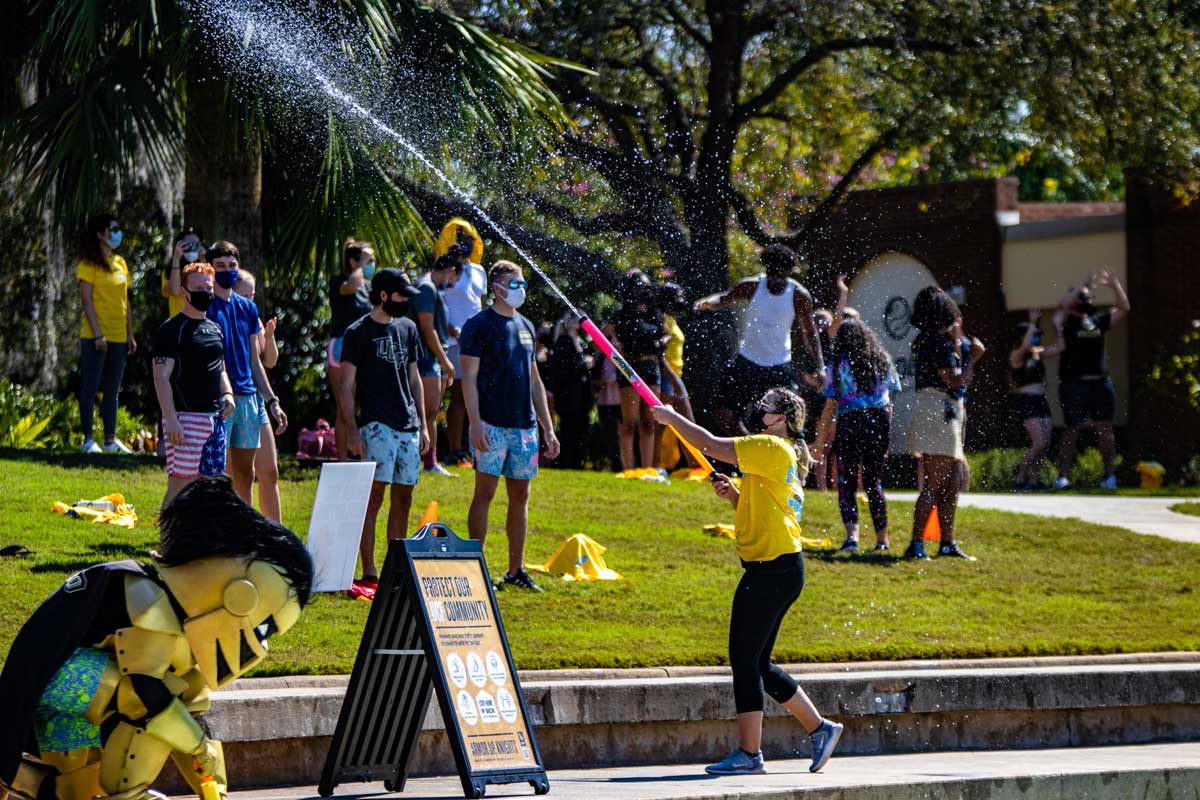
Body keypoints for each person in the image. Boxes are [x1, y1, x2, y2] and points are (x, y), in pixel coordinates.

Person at [0, 476, 311, 800]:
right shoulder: (146, 596)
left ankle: (24, 780)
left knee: (80, 786)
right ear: (241, 595)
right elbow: (143, 691)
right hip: (53, 685)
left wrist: (214, 788)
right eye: (264, 629)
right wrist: (198, 746)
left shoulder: (184, 634)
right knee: (145, 702)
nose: (261, 644)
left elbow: (186, 715)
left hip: (74, 714)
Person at [648, 389, 843, 776]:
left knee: (744, 660)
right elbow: (767, 508)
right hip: (780, 567)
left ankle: (749, 755)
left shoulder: (771, 445)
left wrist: (672, 419)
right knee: (760, 664)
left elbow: (708, 443)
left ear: (782, 417)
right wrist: (736, 496)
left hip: (773, 568)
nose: (760, 407)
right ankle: (821, 729)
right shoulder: (777, 453)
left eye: (768, 405)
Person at [459, 261, 560, 591]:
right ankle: (477, 567)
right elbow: (469, 379)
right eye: (514, 284)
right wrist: (475, 423)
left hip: (524, 427)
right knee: (485, 493)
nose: (521, 289)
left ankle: (515, 570)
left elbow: (535, 381)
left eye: (522, 284)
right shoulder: (479, 325)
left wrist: (547, 428)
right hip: (491, 423)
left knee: (521, 495)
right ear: (498, 287)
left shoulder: (526, 326)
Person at [338, 269, 428, 588]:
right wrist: (352, 429)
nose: (406, 301)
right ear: (385, 295)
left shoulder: (408, 328)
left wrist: (425, 424)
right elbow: (346, 385)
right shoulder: (357, 332)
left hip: (409, 425)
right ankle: (370, 570)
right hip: (377, 424)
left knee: (404, 497)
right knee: (374, 496)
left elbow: (415, 378)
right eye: (402, 295)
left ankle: (395, 566)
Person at [694, 245, 824, 435]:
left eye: (782, 273)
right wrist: (706, 303)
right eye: (772, 272)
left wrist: (820, 366)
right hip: (747, 360)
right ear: (766, 268)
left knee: (788, 419)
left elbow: (810, 334)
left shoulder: (798, 295)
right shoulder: (751, 286)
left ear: (790, 272)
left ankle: (781, 454)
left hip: (779, 365)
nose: (776, 277)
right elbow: (725, 298)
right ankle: (747, 447)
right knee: (723, 413)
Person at [206, 241, 288, 514]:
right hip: (220, 400)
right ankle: (221, 535)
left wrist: (272, 400)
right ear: (210, 268)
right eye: (220, 266)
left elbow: (256, 361)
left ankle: (247, 536)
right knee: (219, 475)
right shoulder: (205, 307)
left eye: (232, 266)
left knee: (245, 475)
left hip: (248, 398)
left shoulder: (247, 308)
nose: (227, 271)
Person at [904, 287, 985, 561]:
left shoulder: (923, 340)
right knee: (935, 483)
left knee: (951, 483)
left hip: (934, 408)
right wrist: (973, 356)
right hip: (939, 409)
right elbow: (956, 381)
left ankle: (946, 543)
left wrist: (959, 344)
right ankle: (916, 545)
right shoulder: (937, 342)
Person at [151, 262, 237, 510]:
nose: (205, 292)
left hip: (215, 420)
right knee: (180, 485)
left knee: (210, 485)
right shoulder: (171, 330)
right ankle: (168, 546)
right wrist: (171, 420)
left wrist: (228, 393)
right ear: (185, 292)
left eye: (208, 287)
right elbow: (160, 377)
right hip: (185, 419)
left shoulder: (215, 329)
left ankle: (200, 544)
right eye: (198, 287)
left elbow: (220, 368)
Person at [813, 319, 902, 552]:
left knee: (847, 481)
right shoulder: (882, 360)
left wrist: (819, 443)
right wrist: (886, 433)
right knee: (874, 482)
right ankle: (882, 540)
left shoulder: (838, 365)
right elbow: (890, 401)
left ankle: (852, 537)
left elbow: (830, 406)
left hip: (851, 421)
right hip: (879, 420)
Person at [1053, 270, 1130, 490]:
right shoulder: (1064, 323)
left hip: (1100, 384)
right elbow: (1060, 308)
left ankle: (1109, 477)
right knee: (1071, 430)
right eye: (1082, 297)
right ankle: (1062, 477)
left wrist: (1115, 285)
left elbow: (1124, 308)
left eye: (1088, 297)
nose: (1086, 300)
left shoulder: (1098, 320)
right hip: (1074, 384)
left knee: (1105, 431)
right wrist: (1081, 284)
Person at [76, 213, 136, 454]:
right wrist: (98, 334)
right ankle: (88, 439)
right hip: (95, 337)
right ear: (100, 234)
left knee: (113, 389)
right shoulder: (87, 264)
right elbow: (86, 301)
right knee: (90, 387)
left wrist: (130, 333)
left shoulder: (120, 262)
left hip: (119, 336)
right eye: (114, 228)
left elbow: (126, 302)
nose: (118, 232)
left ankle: (110, 440)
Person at [233, 270, 283, 520]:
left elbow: (269, 361)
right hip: (234, 400)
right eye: (244, 295)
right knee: (241, 475)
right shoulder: (224, 316)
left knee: (270, 471)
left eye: (252, 295)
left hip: (255, 399)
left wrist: (270, 337)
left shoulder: (252, 317)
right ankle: (244, 530)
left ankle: (277, 532)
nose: (249, 300)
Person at [412, 252, 462, 477]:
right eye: (454, 280)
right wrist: (445, 360)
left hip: (432, 358)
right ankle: (419, 460)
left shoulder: (431, 289)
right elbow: (427, 328)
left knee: (432, 412)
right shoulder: (426, 288)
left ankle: (430, 462)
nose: (451, 285)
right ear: (450, 270)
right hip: (426, 358)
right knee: (427, 411)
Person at [613, 269, 668, 469]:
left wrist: (662, 342)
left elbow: (667, 333)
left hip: (651, 365)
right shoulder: (622, 313)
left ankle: (647, 468)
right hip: (629, 365)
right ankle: (629, 468)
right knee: (629, 421)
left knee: (649, 421)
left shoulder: (655, 312)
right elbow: (604, 336)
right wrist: (616, 346)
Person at [328, 239, 376, 460]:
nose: (370, 265)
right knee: (343, 408)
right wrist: (359, 266)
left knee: (365, 404)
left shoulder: (369, 287)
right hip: (340, 348)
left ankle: (365, 453)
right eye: (367, 260)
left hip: (365, 351)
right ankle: (342, 459)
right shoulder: (339, 282)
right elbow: (352, 286)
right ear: (352, 261)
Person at [1009, 310, 1060, 491]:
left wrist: (1058, 324)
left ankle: (1034, 480)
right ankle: (1021, 477)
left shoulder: (1037, 354)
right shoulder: (1016, 356)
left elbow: (1060, 347)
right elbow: (1023, 348)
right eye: (1033, 336)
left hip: (1041, 400)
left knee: (1045, 443)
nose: (1036, 339)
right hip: (1027, 401)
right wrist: (1032, 324)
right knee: (1038, 442)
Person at [548, 314, 595, 469]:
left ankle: (577, 461)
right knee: (569, 430)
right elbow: (562, 368)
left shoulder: (581, 341)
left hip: (582, 395)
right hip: (569, 396)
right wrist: (583, 364)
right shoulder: (563, 341)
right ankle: (566, 462)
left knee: (581, 429)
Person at [592, 321, 624, 472]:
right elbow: (594, 378)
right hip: (604, 401)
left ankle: (625, 465)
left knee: (622, 433)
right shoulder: (599, 355)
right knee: (611, 436)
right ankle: (616, 465)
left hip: (620, 399)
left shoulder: (619, 350)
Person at [162, 226, 204, 318]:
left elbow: (212, 288)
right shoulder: (169, 271)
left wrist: (204, 261)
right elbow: (174, 291)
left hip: (201, 324)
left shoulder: (205, 267)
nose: (191, 248)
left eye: (195, 245)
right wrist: (176, 258)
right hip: (178, 325)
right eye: (187, 245)